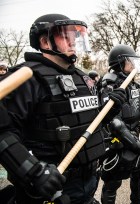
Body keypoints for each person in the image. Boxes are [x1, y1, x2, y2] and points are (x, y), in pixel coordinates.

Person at [0, 14, 126, 204]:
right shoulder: (25, 78)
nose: (73, 42)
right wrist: (33, 171)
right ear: (45, 41)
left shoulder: (83, 78)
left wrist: (109, 111)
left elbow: (85, 122)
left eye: (75, 38)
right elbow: (3, 132)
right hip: (51, 187)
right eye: (65, 37)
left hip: (89, 179)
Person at [98, 44, 140, 204]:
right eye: (130, 61)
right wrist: (135, 144)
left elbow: (133, 110)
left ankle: (136, 201)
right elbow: (113, 121)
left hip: (134, 136)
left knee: (139, 170)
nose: (133, 65)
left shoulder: (132, 84)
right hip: (118, 140)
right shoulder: (110, 84)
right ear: (119, 62)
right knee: (113, 180)